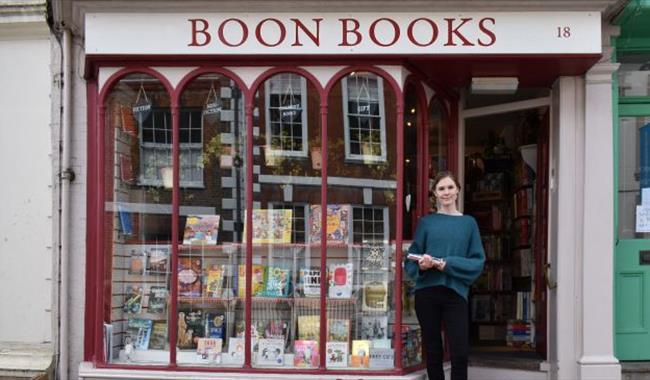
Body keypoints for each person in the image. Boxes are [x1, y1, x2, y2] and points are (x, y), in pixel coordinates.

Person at [404, 171, 485, 380]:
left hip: (455, 292)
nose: (446, 192)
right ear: (435, 194)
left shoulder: (469, 223)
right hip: (427, 293)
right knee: (433, 350)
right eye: (441, 188)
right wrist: (422, 265)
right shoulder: (426, 223)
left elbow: (477, 261)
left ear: (457, 190)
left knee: (460, 352)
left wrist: (446, 265)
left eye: (450, 187)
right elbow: (411, 258)